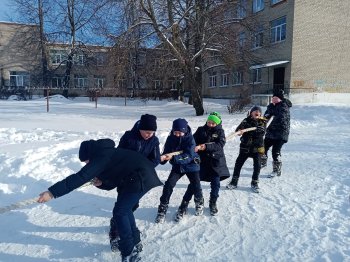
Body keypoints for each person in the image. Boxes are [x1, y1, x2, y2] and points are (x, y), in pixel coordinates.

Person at [37, 138, 162, 262]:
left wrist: (52, 193)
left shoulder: (102, 155)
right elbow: (114, 179)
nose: (87, 165)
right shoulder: (107, 154)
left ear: (90, 155)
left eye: (87, 162)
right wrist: (101, 183)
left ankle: (129, 252)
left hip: (140, 177)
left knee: (120, 211)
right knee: (124, 209)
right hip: (138, 177)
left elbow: (81, 176)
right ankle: (135, 242)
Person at [110, 114, 161, 250]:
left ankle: (124, 227)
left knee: (131, 207)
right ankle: (115, 232)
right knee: (121, 207)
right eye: (146, 132)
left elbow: (155, 160)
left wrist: (143, 166)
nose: (149, 135)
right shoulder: (128, 137)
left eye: (152, 133)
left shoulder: (154, 141)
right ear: (140, 128)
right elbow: (118, 154)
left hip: (139, 179)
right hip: (124, 176)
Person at [155, 118, 204, 223]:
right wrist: (162, 159)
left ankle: (199, 201)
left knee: (196, 184)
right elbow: (167, 152)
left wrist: (173, 158)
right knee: (168, 185)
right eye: (175, 132)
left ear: (185, 131)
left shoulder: (190, 139)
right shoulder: (170, 139)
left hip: (191, 165)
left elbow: (189, 156)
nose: (177, 135)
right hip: (178, 166)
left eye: (180, 133)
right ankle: (162, 208)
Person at [188, 112, 230, 216]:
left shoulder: (220, 132)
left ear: (217, 123)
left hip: (216, 162)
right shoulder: (200, 130)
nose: (210, 124)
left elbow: (220, 145)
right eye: (209, 122)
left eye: (213, 123)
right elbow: (193, 140)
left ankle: (213, 202)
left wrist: (205, 147)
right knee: (195, 181)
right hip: (202, 162)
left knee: (215, 184)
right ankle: (195, 200)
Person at [226, 106, 266, 193]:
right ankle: (234, 181)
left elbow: (262, 133)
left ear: (260, 114)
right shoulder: (245, 120)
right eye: (255, 111)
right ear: (251, 113)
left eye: (259, 111)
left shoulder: (262, 121)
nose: (257, 112)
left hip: (257, 148)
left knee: (257, 166)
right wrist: (240, 131)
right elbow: (238, 130)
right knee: (238, 164)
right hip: (245, 147)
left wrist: (258, 130)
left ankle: (254, 183)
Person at [261, 90, 292, 177]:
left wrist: (270, 121)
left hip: (281, 132)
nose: (274, 99)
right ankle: (262, 162)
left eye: (276, 98)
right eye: (273, 98)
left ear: (280, 99)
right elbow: (266, 116)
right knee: (263, 147)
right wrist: (263, 121)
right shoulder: (271, 106)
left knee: (275, 151)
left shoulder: (284, 106)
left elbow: (281, 119)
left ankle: (276, 170)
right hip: (271, 132)